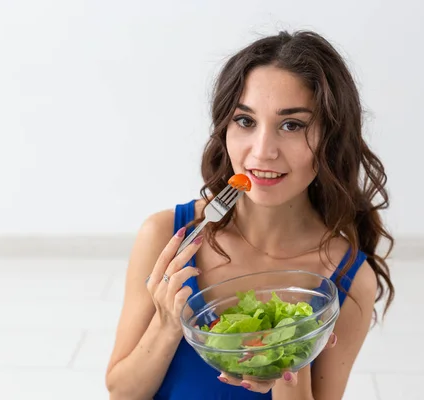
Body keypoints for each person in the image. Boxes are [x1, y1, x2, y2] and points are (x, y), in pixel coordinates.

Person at [105, 30, 395, 400]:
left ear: (331, 139)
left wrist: (294, 355)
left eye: (292, 125)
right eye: (245, 121)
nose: (262, 152)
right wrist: (166, 323)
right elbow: (122, 392)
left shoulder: (346, 280)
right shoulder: (166, 235)